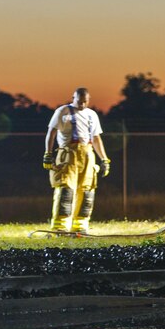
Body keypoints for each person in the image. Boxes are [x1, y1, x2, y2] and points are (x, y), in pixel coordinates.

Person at [43, 87, 110, 234]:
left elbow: (96, 138)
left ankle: (80, 226)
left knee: (87, 190)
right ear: (73, 97)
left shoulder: (92, 115)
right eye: (80, 101)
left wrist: (104, 159)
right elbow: (51, 132)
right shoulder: (62, 112)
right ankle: (60, 227)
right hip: (68, 154)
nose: (82, 105)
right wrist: (48, 154)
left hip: (87, 154)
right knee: (65, 189)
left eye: (85, 102)